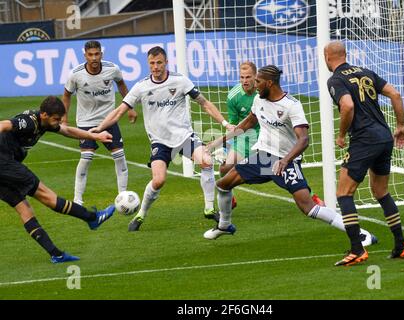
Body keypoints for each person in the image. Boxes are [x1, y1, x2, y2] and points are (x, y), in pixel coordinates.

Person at [203, 65, 377, 249]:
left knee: (308, 207)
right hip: (263, 157)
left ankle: (359, 233)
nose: (255, 85)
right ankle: (224, 225)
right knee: (223, 184)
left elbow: (304, 140)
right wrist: (219, 141)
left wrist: (285, 160)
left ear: (269, 83)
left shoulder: (291, 106)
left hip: (286, 161)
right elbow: (248, 123)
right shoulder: (258, 100)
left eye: (258, 82)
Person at [91, 46, 235, 232]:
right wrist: (100, 128)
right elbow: (120, 111)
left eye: (159, 63)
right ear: (148, 64)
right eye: (152, 63)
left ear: (166, 62)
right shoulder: (141, 87)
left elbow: (204, 103)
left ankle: (208, 208)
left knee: (206, 161)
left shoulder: (180, 81)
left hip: (184, 136)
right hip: (159, 141)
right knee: (159, 181)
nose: (156, 67)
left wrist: (224, 123)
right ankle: (141, 214)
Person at [324, 41, 404, 266]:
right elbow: (396, 94)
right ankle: (401, 244)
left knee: (344, 193)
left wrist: (342, 134)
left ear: (327, 57)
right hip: (384, 137)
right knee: (381, 192)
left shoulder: (335, 79)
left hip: (364, 139)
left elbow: (348, 106)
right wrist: (400, 125)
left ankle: (357, 249)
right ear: (345, 54)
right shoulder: (365, 72)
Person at [0, 96, 115, 263]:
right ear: (44, 114)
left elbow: (67, 130)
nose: (58, 122)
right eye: (56, 119)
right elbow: (3, 124)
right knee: (47, 196)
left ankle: (56, 254)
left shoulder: (46, 122)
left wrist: (95, 137)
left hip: (5, 167)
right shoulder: (29, 122)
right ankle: (92, 218)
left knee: (25, 210)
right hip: (4, 163)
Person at [220, 61, 325, 207]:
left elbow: (303, 138)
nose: (245, 81)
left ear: (260, 79)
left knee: (281, 174)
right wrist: (224, 142)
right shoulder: (234, 96)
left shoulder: (280, 100)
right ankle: (227, 200)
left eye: (249, 77)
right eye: (242, 77)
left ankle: (310, 196)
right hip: (252, 138)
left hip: (274, 142)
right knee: (225, 168)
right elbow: (241, 123)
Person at [62, 40, 138, 206]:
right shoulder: (76, 74)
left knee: (119, 156)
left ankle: (123, 197)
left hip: (108, 120)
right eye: (90, 55)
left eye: (97, 54)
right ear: (85, 56)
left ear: (101, 54)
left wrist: (130, 107)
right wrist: (64, 119)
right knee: (86, 158)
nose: (94, 58)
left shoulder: (112, 69)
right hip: (86, 121)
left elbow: (122, 85)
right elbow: (67, 95)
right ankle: (77, 200)